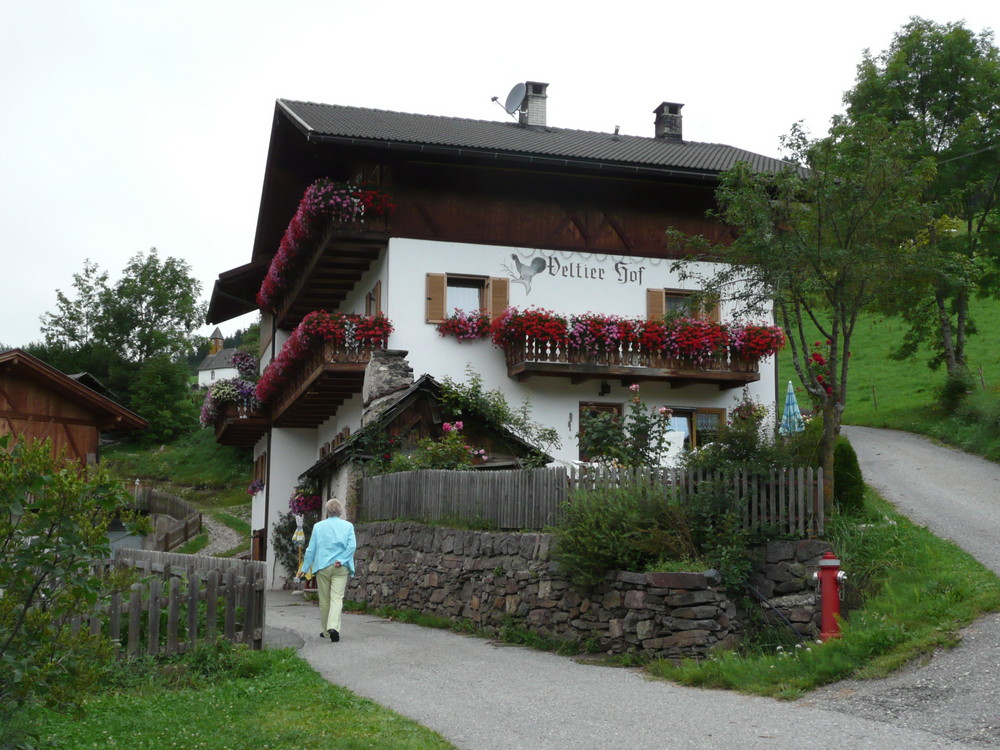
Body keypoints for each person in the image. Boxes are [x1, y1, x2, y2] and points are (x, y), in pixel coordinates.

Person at [300, 497, 356, 643]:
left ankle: (326, 631)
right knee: (337, 598)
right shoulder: (348, 526)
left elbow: (311, 550)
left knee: (324, 600)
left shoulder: (318, 527)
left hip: (322, 566)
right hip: (341, 567)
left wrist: (305, 569)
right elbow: (352, 547)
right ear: (340, 511)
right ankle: (334, 628)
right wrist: (342, 560)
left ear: (327, 511)